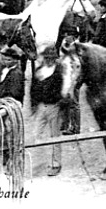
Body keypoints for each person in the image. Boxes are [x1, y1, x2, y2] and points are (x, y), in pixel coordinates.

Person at [29, 46, 64, 176]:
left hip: (54, 106)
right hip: (40, 107)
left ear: (55, 59)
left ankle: (56, 164)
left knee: (55, 136)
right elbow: (33, 88)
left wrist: (61, 104)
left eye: (52, 58)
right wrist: (33, 104)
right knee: (36, 134)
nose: (49, 60)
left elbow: (64, 90)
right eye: (47, 57)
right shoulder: (39, 71)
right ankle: (38, 162)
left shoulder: (59, 71)